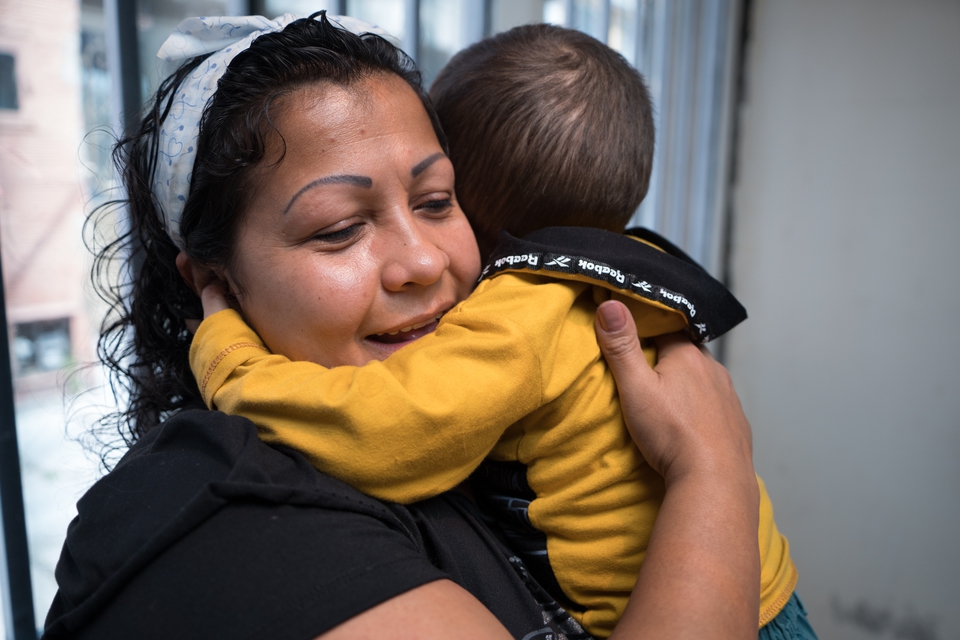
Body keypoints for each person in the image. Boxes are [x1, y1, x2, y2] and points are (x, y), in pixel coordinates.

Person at [45, 13, 762, 639]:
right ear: (216, 279)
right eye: (339, 229)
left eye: (437, 201)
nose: (422, 261)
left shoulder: (482, 414)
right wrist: (714, 468)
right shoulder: (207, 516)